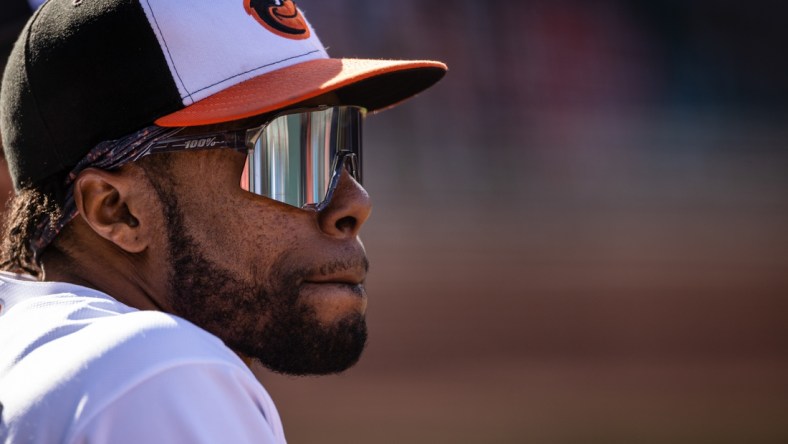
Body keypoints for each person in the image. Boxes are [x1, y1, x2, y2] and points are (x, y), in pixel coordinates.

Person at [0, 0, 446, 442]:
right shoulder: (154, 372)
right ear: (117, 209)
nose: (355, 203)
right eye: (292, 153)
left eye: (340, 142)